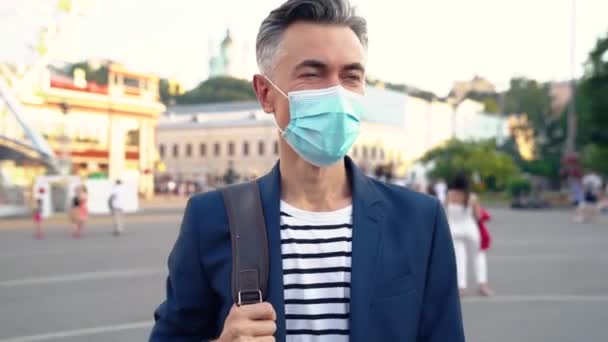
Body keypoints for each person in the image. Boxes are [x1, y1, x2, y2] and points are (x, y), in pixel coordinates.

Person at [150, 1, 464, 341]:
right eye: (312, 73)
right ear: (265, 93)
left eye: (351, 76)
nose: (336, 92)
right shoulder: (212, 218)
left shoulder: (419, 221)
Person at [446, 173, 493, 297]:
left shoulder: (450, 195)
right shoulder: (471, 197)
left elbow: (446, 213)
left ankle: (461, 287)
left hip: (454, 230)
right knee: (478, 256)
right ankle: (482, 285)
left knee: (459, 258)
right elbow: (478, 216)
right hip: (470, 229)